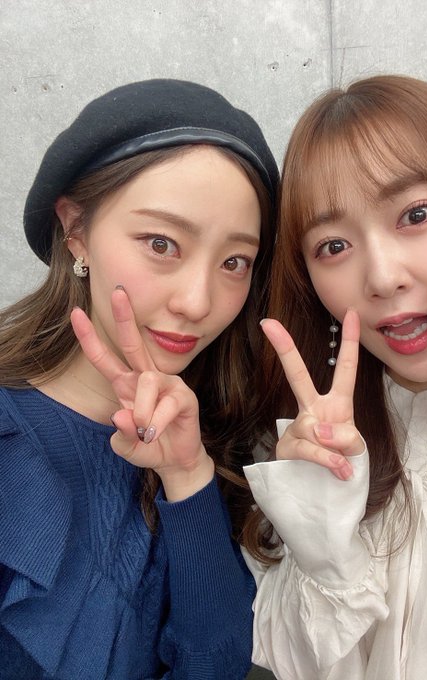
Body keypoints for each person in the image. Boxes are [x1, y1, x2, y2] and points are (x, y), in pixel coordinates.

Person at [0, 78, 279, 679]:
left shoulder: (216, 439)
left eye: (234, 262)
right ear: (76, 230)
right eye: (161, 243)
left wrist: (187, 477)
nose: (197, 302)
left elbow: (215, 668)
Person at [241, 75, 427, 679]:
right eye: (333, 246)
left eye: (416, 214)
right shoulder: (310, 450)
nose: (383, 277)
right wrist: (321, 531)